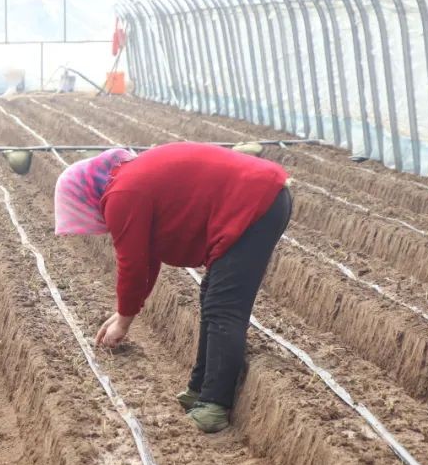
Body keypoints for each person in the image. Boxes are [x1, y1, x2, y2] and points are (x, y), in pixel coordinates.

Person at [54, 143, 292, 434]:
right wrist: (125, 312)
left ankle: (214, 406)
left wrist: (124, 320)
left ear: (85, 197)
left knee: (224, 307)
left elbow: (132, 266)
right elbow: (148, 259)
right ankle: (199, 390)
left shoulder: (121, 195)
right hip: (259, 196)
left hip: (255, 202)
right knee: (212, 297)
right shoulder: (126, 184)